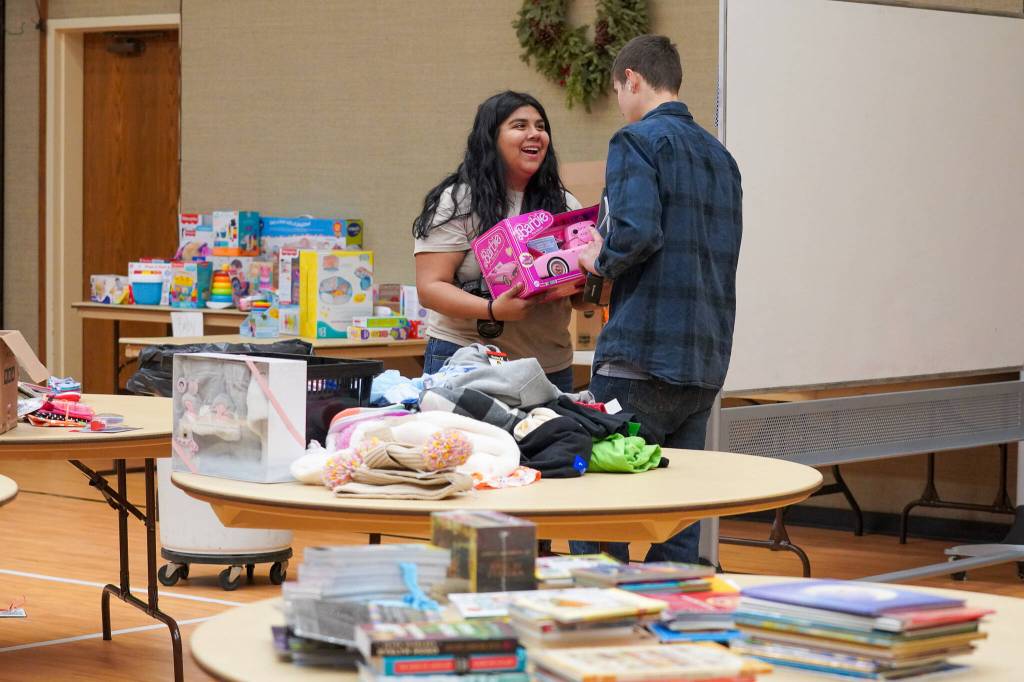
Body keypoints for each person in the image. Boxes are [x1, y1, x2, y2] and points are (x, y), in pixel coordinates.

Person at [572, 35, 744, 564]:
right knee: (679, 510)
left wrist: (594, 258)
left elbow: (636, 234)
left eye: (619, 91)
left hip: (639, 357)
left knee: (603, 507)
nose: (621, 104)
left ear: (633, 80)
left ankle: (600, 621)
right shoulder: (723, 157)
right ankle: (673, 623)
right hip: (704, 360)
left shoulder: (636, 141)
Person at [412, 91, 584, 392]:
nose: (535, 134)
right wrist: (492, 309)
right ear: (491, 138)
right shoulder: (459, 200)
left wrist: (596, 279)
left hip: (547, 367)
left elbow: (581, 300)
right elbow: (430, 288)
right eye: (520, 125)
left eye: (541, 126)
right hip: (466, 359)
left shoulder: (565, 204)